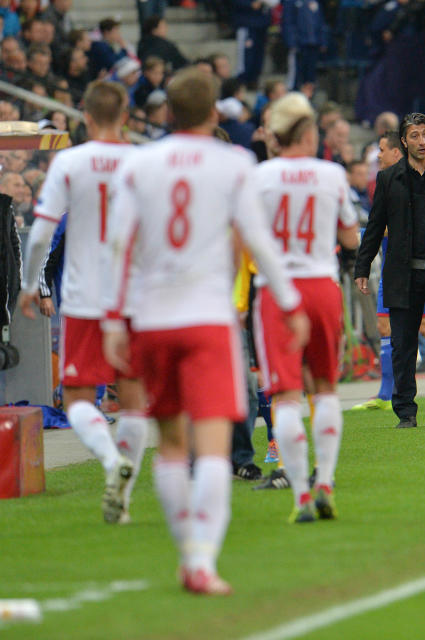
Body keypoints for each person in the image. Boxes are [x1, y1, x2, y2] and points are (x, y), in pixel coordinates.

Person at [101, 68, 308, 593]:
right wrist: (287, 301)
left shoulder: (140, 164)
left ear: (166, 112)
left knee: (171, 445)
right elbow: (258, 241)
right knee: (213, 444)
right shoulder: (234, 162)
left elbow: (118, 246)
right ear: (215, 111)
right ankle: (200, 561)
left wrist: (111, 318)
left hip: (153, 317)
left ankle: (185, 552)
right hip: (210, 317)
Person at [17, 81, 149, 525]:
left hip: (84, 298)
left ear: (87, 118)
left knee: (76, 397)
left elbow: (40, 232)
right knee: (133, 397)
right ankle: (123, 499)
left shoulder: (70, 162)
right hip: (133, 296)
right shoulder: (142, 162)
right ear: (125, 114)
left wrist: (29, 283)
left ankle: (112, 463)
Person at [252, 92, 358, 522]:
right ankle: (326, 481)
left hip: (277, 290)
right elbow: (351, 237)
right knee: (326, 389)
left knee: (287, 395)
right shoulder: (332, 174)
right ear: (310, 132)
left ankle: (299, 495)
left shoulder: (259, 177)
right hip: (322, 285)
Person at [355, 112, 425, 428]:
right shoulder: (388, 178)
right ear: (403, 142)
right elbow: (375, 226)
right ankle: (405, 413)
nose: (422, 141)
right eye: (415, 136)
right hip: (402, 275)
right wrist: (361, 267)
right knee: (404, 348)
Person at [350, 130, 403, 412]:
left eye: (382, 150)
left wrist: (361, 232)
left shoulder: (411, 180)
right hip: (389, 267)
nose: (378, 156)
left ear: (397, 152)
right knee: (384, 326)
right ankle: (385, 395)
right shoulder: (382, 182)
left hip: (412, 267)